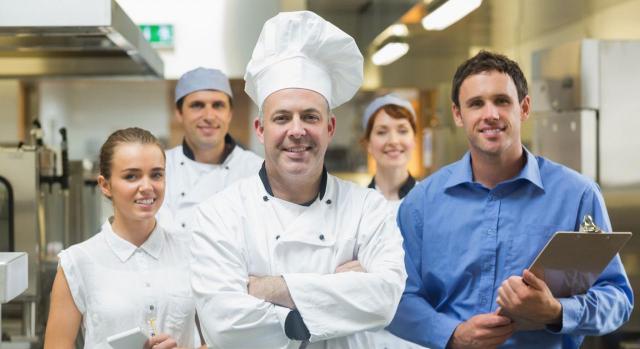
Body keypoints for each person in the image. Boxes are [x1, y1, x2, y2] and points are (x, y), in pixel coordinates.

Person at [190, 11, 407, 349]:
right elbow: (223, 324)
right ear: (261, 130)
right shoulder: (220, 215)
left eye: (310, 117)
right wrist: (334, 295)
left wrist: (270, 288)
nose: (297, 131)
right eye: (282, 118)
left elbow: (385, 298)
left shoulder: (368, 208)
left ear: (329, 128)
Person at [387, 51, 633, 349]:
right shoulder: (422, 204)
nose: (490, 114)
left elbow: (617, 299)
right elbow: (396, 297)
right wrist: (453, 334)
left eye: (502, 101)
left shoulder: (577, 196)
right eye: (476, 103)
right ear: (457, 114)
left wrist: (556, 312)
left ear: (524, 107)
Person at [44, 128, 196, 349]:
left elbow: (223, 341)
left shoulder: (192, 253)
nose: (147, 187)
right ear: (105, 185)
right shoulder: (76, 263)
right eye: (131, 176)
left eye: (156, 174)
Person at [157, 67, 262, 234]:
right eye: (197, 105)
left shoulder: (256, 170)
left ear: (229, 113)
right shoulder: (159, 168)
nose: (209, 116)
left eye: (218, 105)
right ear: (179, 113)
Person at [362, 94, 418, 211]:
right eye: (382, 132)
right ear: (368, 144)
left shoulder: (430, 202)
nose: (393, 141)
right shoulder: (357, 205)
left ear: (414, 141)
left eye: (402, 131)